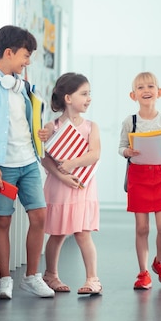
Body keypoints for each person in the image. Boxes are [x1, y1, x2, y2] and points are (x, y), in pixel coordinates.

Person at [0, 25, 54, 299]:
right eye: (25, 55)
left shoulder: (25, 87)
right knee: (3, 220)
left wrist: (41, 131)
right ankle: (5, 278)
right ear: (9, 52)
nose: (28, 62)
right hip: (3, 166)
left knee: (39, 216)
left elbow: (31, 121)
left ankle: (32, 276)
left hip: (29, 162)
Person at [38, 72, 102, 295]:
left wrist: (72, 163)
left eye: (89, 94)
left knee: (83, 232)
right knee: (57, 233)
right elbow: (44, 157)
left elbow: (95, 154)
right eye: (84, 94)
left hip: (82, 186)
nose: (88, 98)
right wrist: (62, 175)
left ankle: (93, 279)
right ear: (68, 98)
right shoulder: (51, 126)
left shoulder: (91, 126)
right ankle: (50, 275)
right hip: (59, 185)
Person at [119, 72, 161, 290]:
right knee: (142, 228)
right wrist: (127, 151)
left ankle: (160, 262)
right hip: (139, 176)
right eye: (141, 87)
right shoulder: (130, 122)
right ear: (133, 95)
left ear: (159, 92)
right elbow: (121, 147)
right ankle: (143, 272)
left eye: (151, 86)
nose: (146, 90)